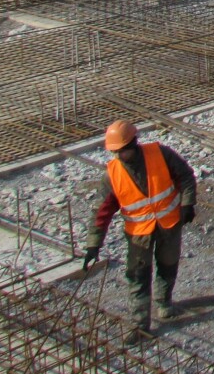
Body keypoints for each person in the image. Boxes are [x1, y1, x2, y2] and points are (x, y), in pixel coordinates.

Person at [82, 120, 198, 345]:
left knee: (168, 264)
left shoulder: (160, 155)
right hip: (139, 234)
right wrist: (93, 243)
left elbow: (185, 176)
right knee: (138, 276)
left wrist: (187, 203)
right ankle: (139, 324)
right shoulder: (112, 175)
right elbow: (101, 212)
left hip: (168, 224)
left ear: (133, 144)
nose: (118, 156)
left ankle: (164, 303)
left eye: (121, 151)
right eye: (115, 152)